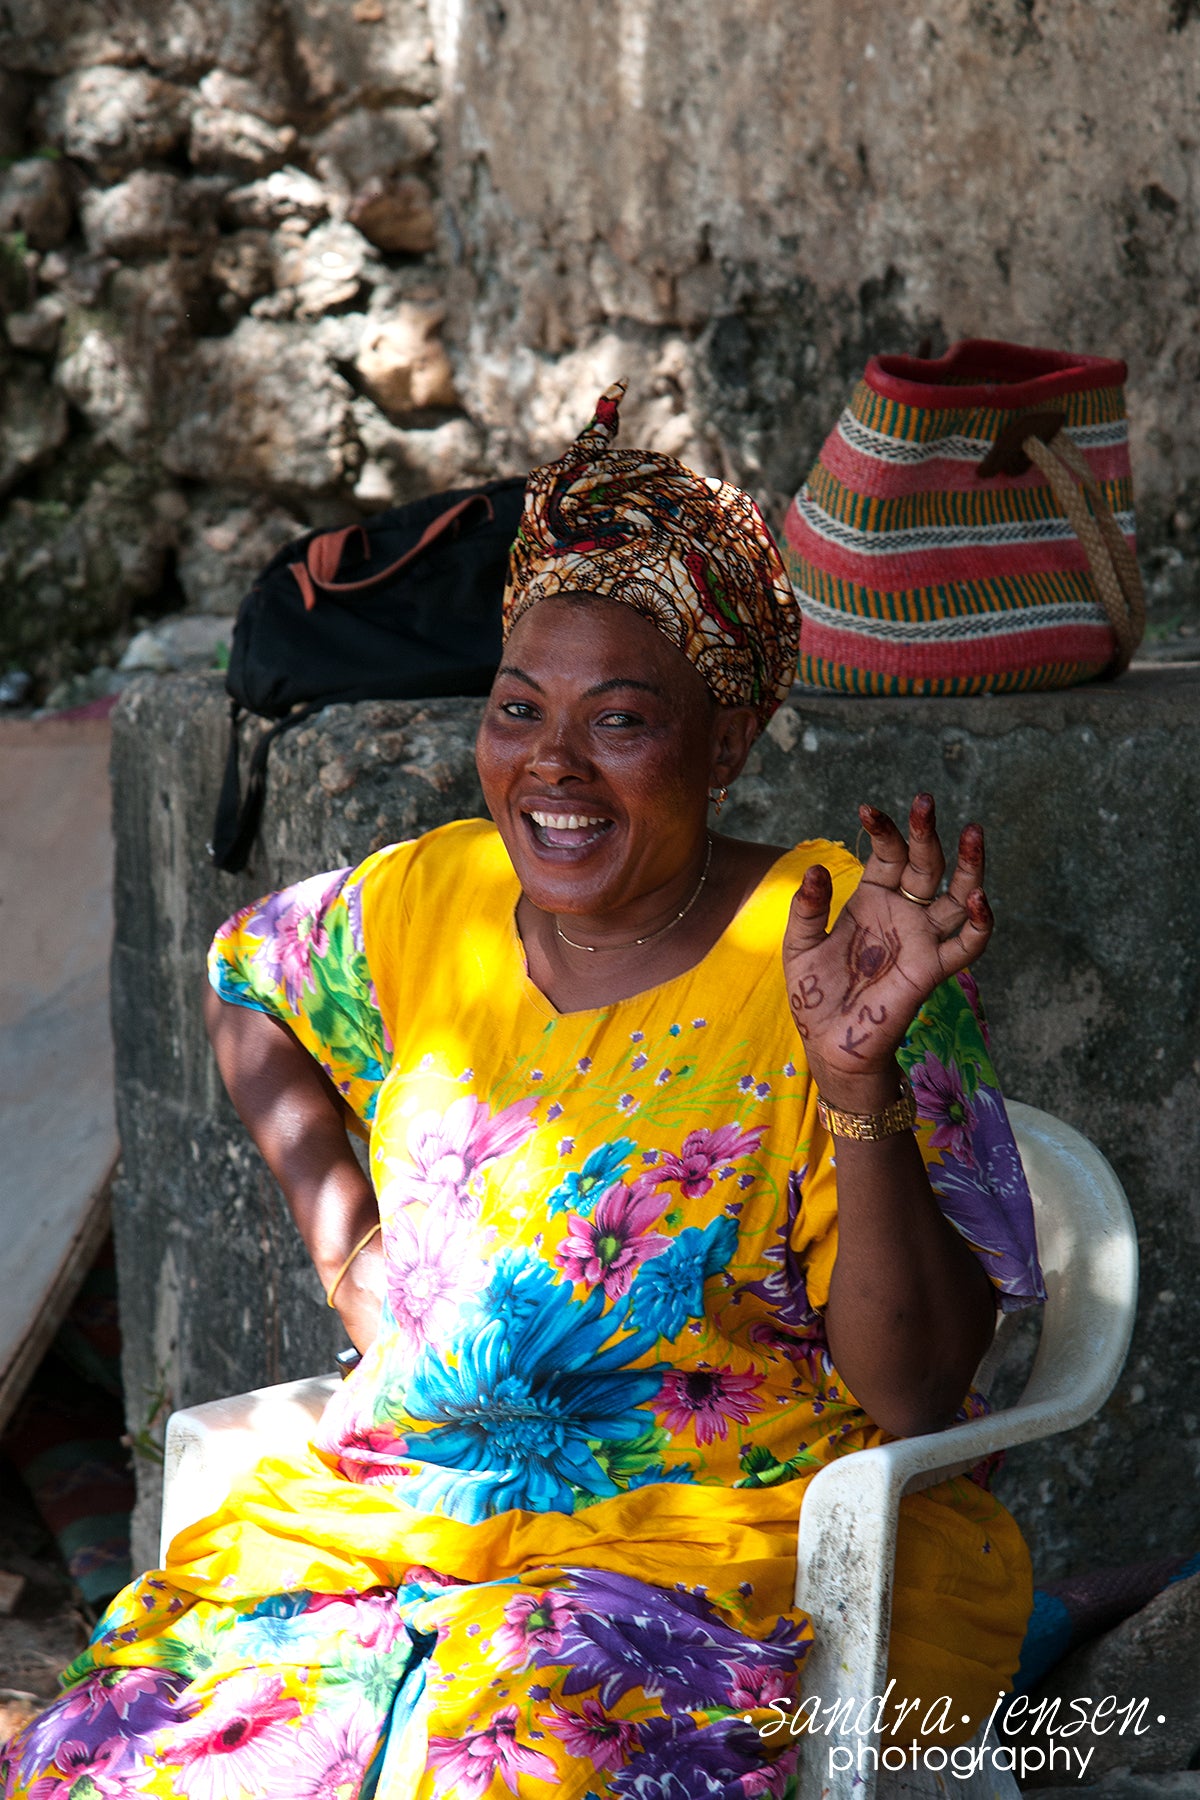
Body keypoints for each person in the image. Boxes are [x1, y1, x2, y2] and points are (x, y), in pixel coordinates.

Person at [3, 383, 1043, 1799]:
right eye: (517, 708)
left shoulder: (833, 947)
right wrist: (346, 1244)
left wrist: (856, 1079)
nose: (551, 765)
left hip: (717, 1552)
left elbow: (917, 1394)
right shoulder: (435, 896)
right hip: (400, 1525)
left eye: (620, 719)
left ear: (724, 745)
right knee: (129, 1770)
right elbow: (246, 979)